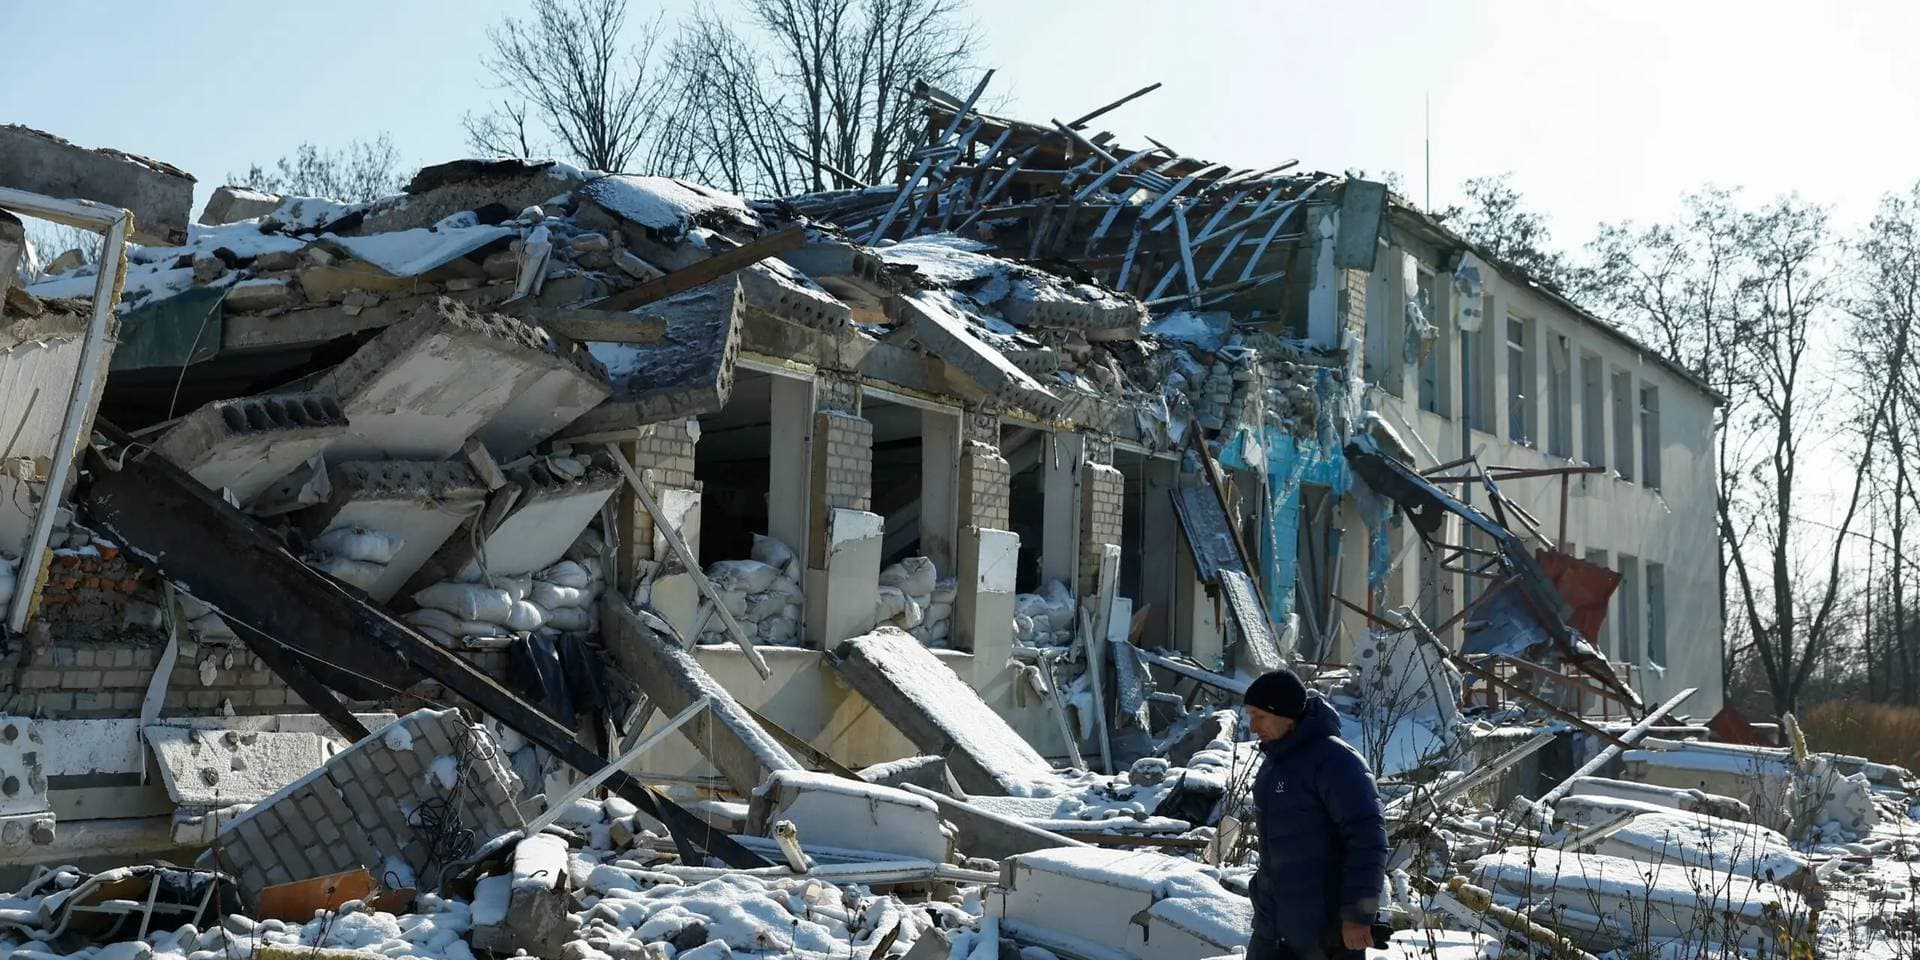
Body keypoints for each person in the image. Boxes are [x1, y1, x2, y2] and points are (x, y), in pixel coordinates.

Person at [1243, 668, 1388, 960]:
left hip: (1326, 937)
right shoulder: (1274, 765)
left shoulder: (1336, 762)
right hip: (1272, 932)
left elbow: (1368, 839)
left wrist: (1358, 915)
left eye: (1259, 716)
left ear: (1284, 714)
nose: (1252, 726)